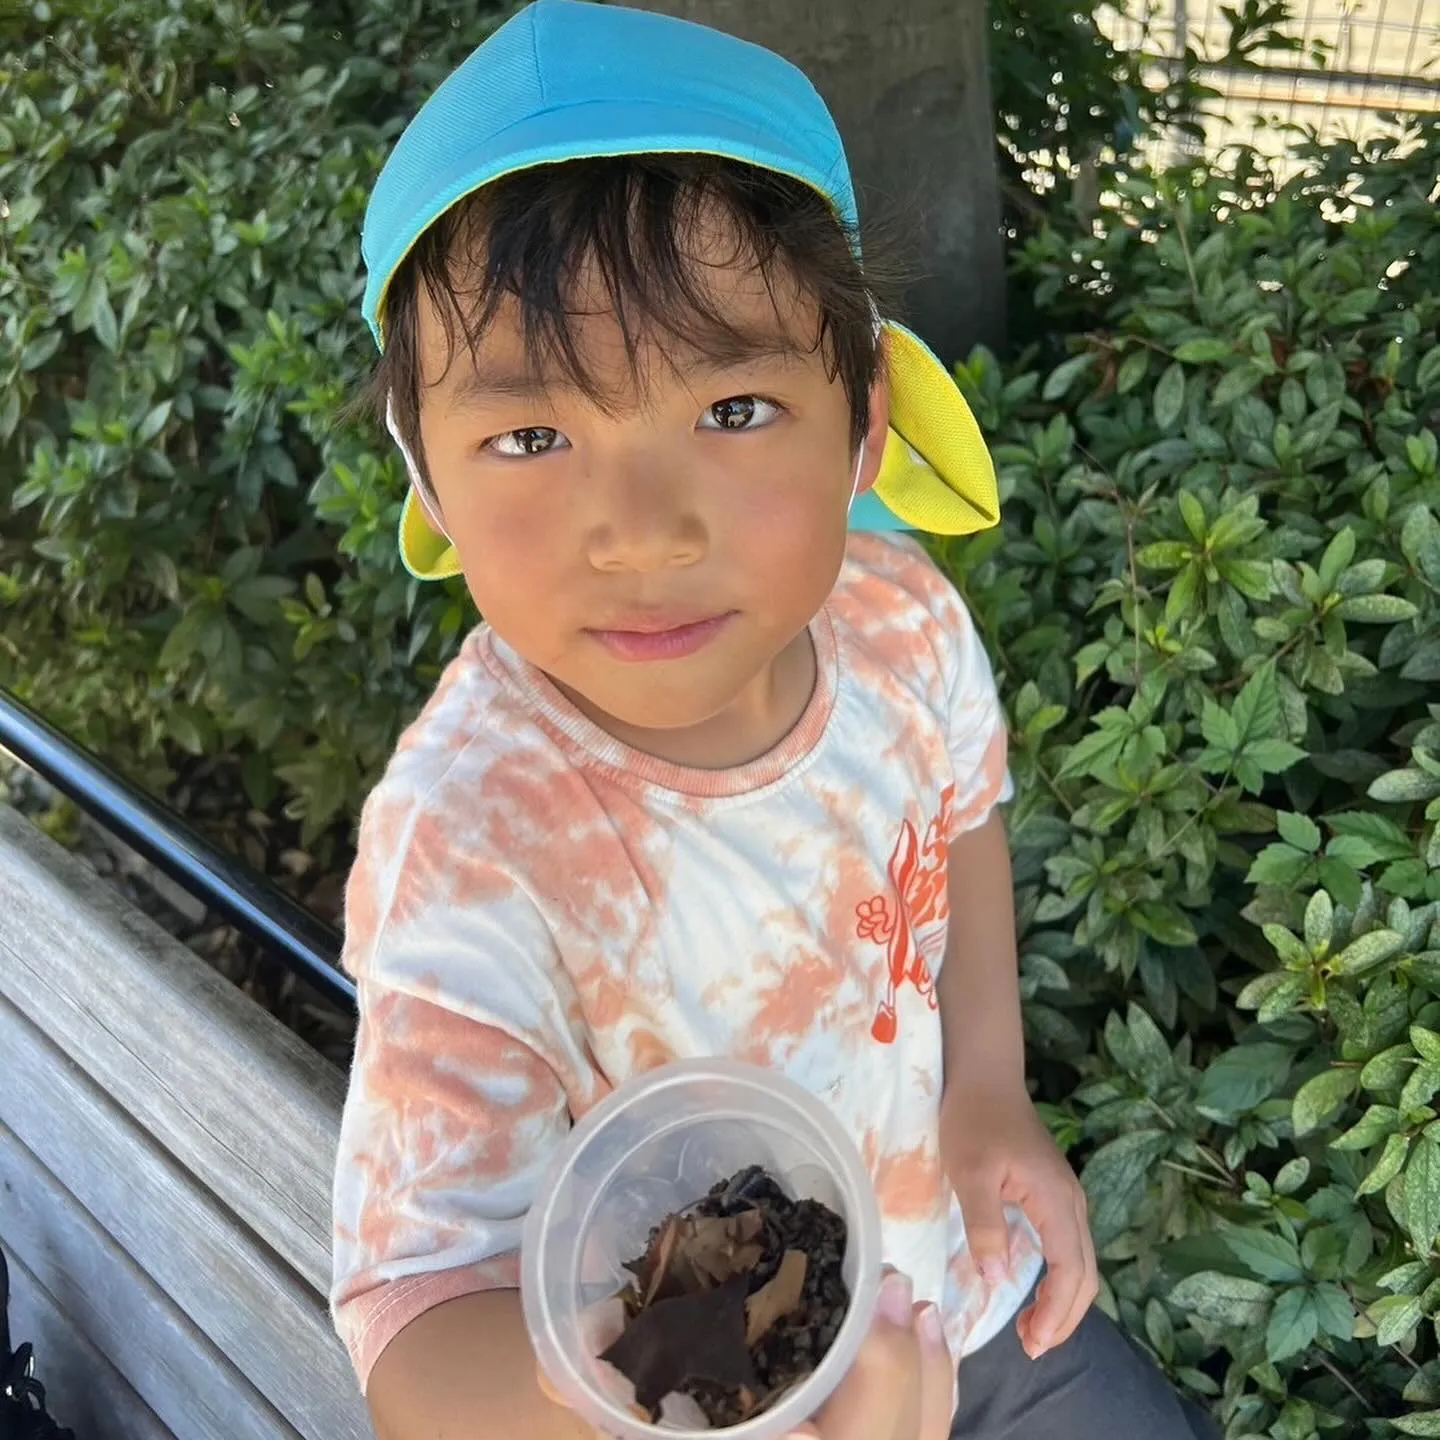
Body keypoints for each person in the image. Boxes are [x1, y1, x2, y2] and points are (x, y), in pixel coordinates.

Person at [330, 3, 1217, 1437]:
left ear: (863, 417)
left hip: (967, 1299)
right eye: (532, 437)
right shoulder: (477, 842)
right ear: (427, 484)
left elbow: (963, 820)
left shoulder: (901, 619)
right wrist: (725, 1401)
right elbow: (418, 1333)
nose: (643, 531)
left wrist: (988, 1088)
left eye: (734, 407)